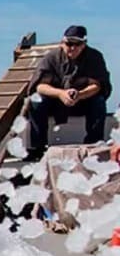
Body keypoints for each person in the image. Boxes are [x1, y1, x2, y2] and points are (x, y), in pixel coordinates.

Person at [26, 26, 112, 160]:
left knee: (98, 102)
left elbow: (97, 85)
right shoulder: (51, 58)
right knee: (36, 101)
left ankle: (93, 146)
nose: (72, 48)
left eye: (77, 44)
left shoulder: (94, 57)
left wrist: (80, 94)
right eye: (69, 44)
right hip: (55, 102)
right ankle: (37, 149)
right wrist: (61, 94)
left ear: (83, 45)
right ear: (62, 43)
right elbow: (40, 86)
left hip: (82, 102)